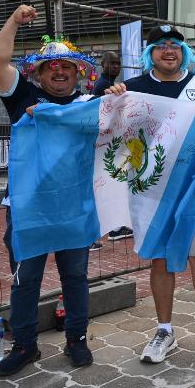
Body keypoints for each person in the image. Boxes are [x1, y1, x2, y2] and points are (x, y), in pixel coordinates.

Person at [106, 24, 195, 370]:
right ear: (150, 53)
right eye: (161, 46)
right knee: (160, 261)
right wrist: (111, 99)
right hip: (150, 192)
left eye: (175, 46)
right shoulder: (133, 89)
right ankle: (165, 330)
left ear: (184, 52)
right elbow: (109, 130)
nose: (169, 51)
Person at [0, 5, 97, 376]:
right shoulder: (22, 98)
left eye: (67, 66)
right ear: (40, 73)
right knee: (25, 278)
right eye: (53, 67)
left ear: (78, 72)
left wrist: (116, 96)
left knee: (76, 277)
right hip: (27, 207)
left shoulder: (91, 106)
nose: (60, 71)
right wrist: (14, 20)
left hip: (74, 206)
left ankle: (77, 340)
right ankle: (25, 346)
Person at [89, 51, 133, 247]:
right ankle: (92, 234)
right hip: (105, 145)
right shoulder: (103, 86)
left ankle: (115, 227)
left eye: (118, 63)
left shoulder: (110, 85)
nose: (116, 67)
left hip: (111, 144)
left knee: (112, 184)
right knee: (101, 187)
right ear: (102, 64)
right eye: (112, 63)